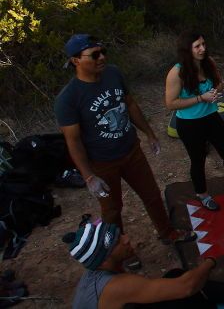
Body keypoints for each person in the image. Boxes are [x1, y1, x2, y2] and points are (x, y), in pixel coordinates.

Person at [55, 34, 195, 249]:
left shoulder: (113, 74)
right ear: (76, 61)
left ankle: (167, 232)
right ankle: (120, 250)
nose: (101, 57)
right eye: (94, 55)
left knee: (152, 195)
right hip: (102, 163)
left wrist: (149, 133)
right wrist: (89, 176)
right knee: (112, 210)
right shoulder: (68, 98)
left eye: (103, 52)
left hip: (131, 151)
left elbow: (129, 104)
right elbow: (73, 141)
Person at [64, 216, 224, 309]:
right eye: (118, 241)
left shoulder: (99, 270)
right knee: (187, 288)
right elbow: (186, 287)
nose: (126, 239)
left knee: (174, 276)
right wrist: (210, 262)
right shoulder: (115, 287)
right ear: (105, 258)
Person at [165, 31, 224, 211]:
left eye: (203, 44)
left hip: (212, 117)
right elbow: (170, 103)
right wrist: (200, 98)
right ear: (186, 50)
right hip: (190, 124)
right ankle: (203, 195)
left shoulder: (209, 62)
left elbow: (219, 82)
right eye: (197, 46)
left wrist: (216, 91)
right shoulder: (176, 73)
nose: (203, 49)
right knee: (198, 160)